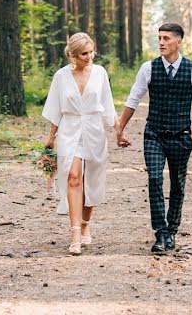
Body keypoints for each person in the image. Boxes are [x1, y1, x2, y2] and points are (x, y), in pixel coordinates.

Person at [114, 22, 192, 253]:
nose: (162, 43)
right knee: (155, 179)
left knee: (177, 184)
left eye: (166, 38)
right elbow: (133, 99)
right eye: (159, 38)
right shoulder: (148, 68)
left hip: (181, 136)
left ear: (179, 41)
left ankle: (172, 230)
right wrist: (120, 129)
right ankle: (160, 233)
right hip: (154, 134)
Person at [43, 32, 117, 255]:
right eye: (84, 53)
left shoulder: (100, 73)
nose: (89, 56)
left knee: (91, 179)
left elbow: (108, 104)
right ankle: (75, 232)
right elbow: (55, 109)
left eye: (91, 51)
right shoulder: (61, 77)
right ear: (73, 55)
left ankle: (86, 223)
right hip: (70, 129)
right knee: (73, 177)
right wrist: (50, 138)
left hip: (94, 129)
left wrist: (119, 131)